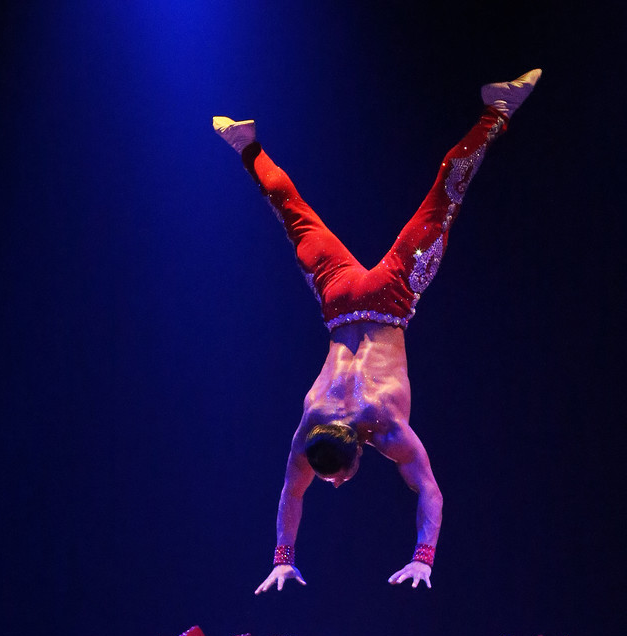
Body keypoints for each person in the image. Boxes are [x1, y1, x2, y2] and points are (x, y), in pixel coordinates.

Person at [213, 70, 541, 594]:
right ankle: (246, 145)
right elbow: (291, 492)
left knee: (443, 200)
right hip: (339, 301)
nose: (334, 484)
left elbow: (429, 491)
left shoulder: (385, 425)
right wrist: (280, 558)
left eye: (335, 478)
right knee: (296, 217)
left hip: (391, 299)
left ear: (360, 454)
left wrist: (423, 560)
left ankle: (497, 111)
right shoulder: (310, 423)